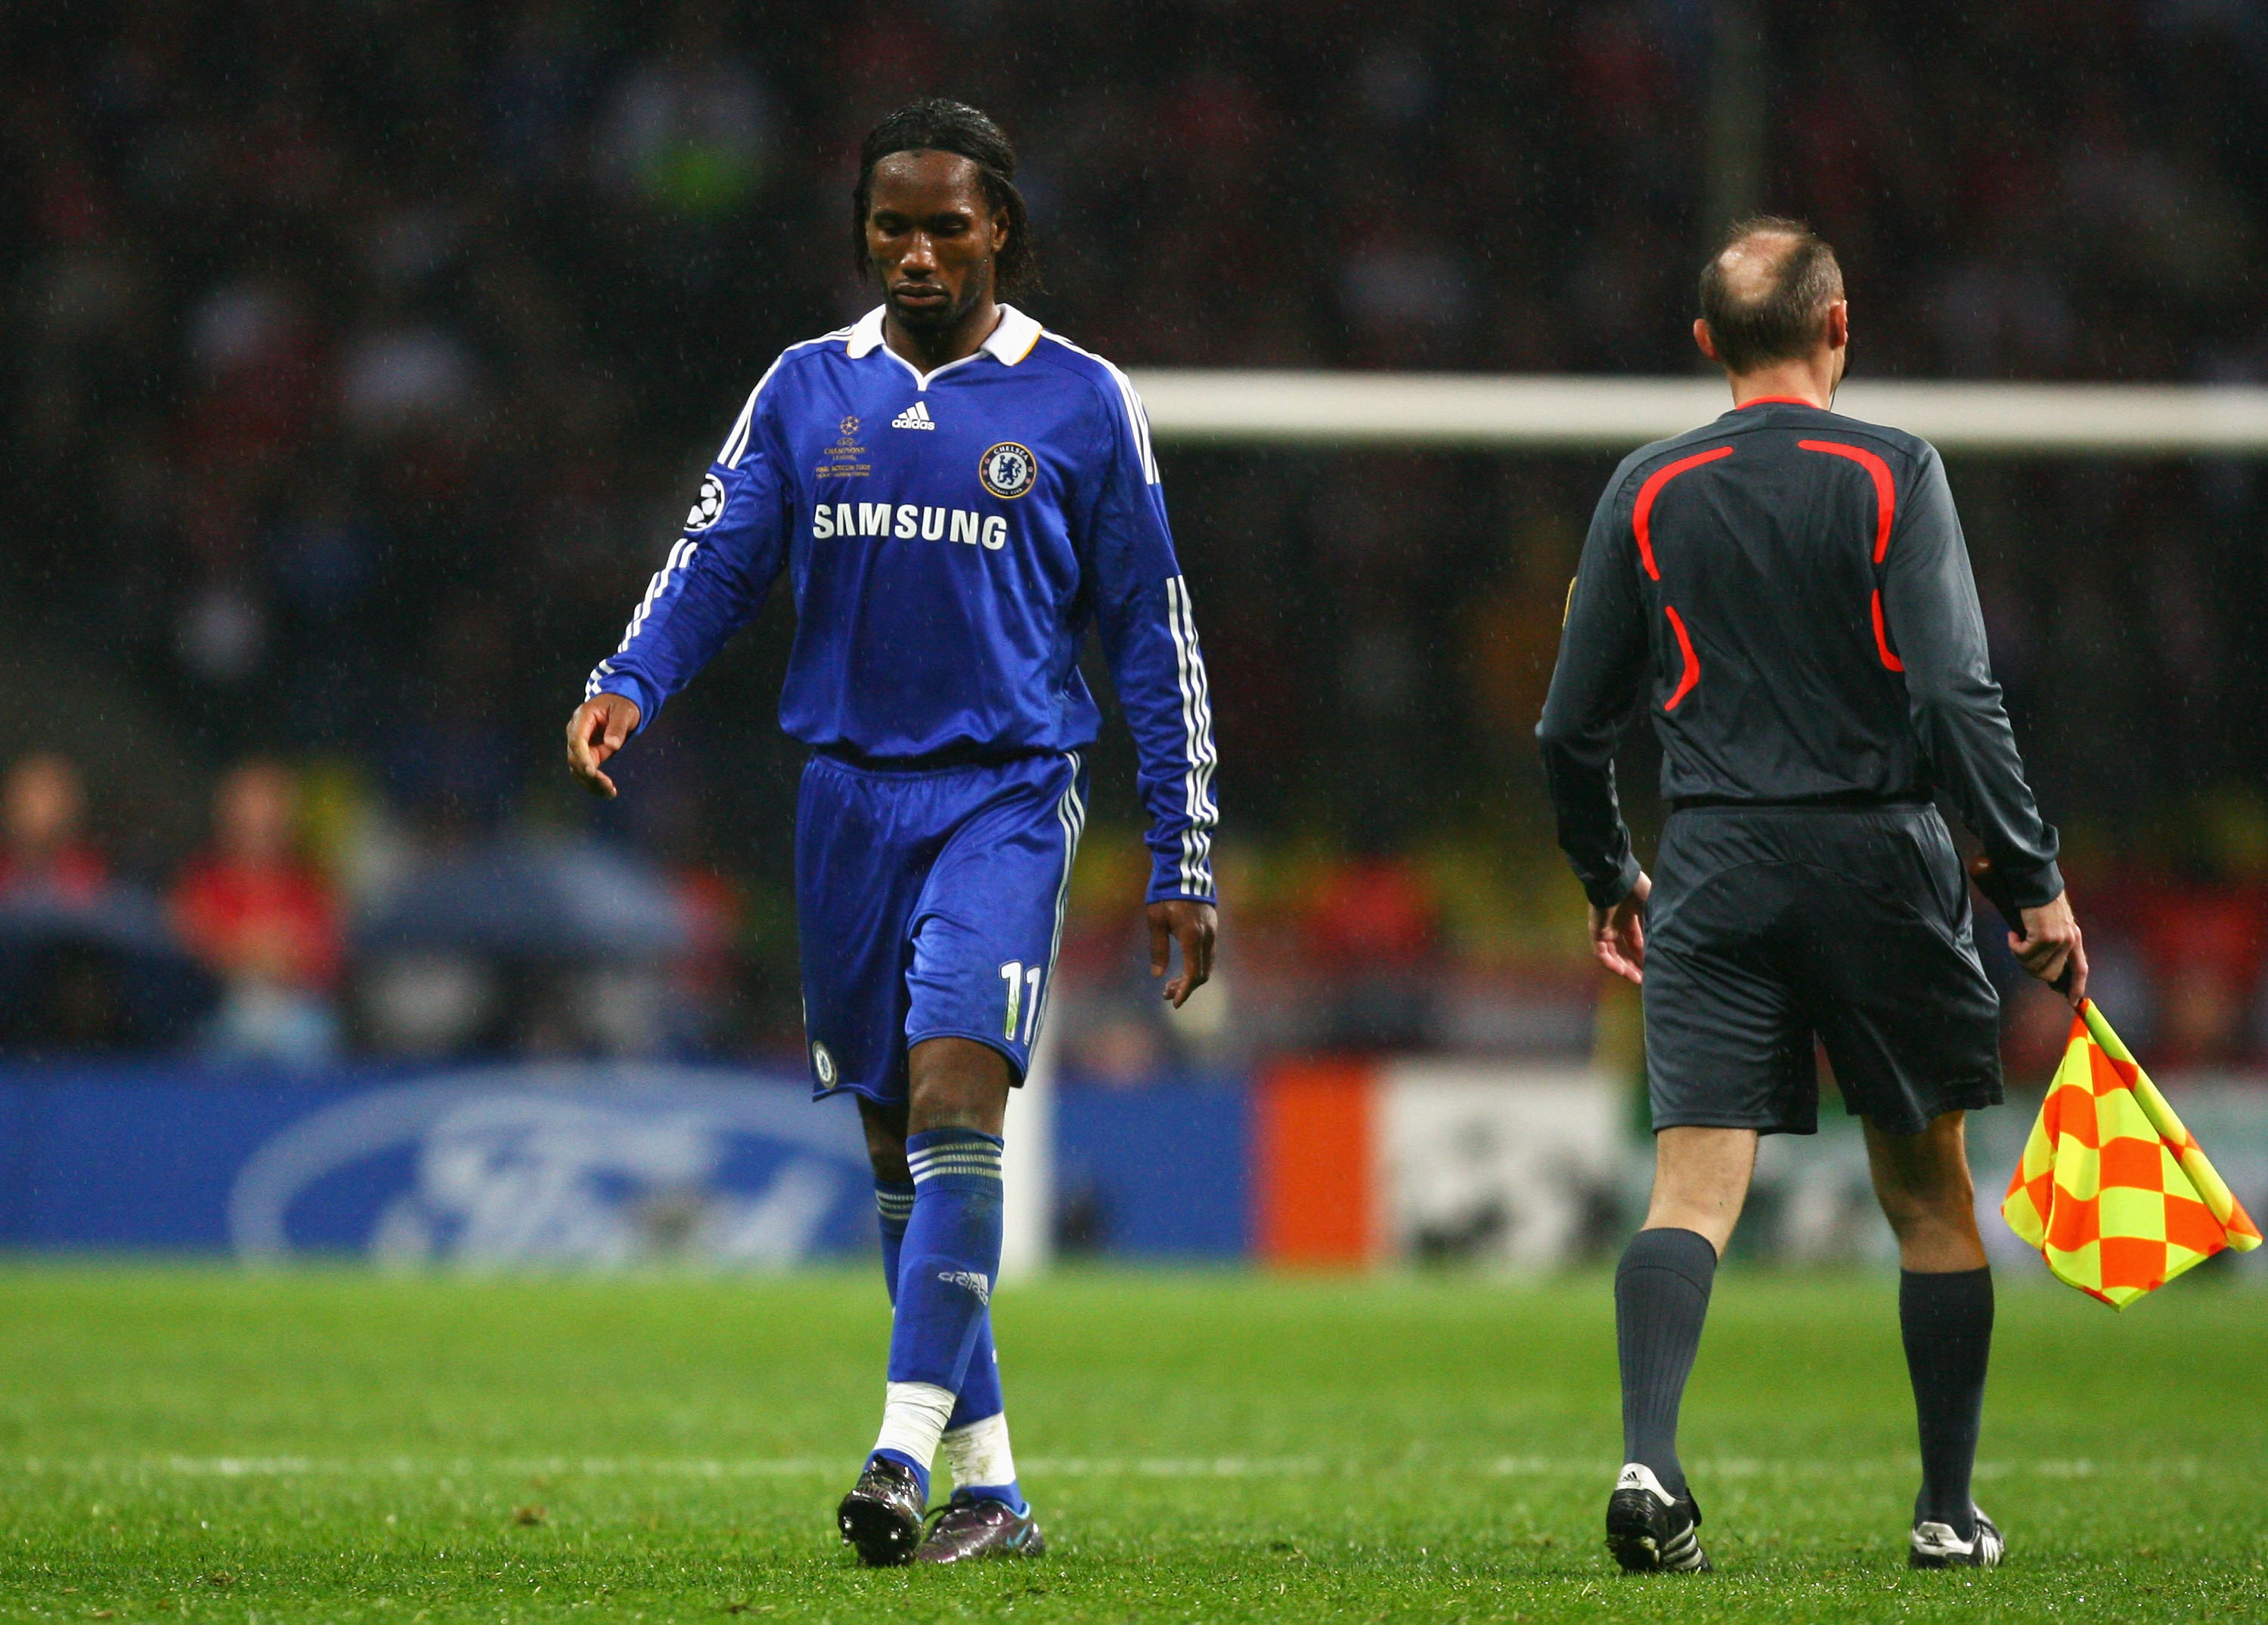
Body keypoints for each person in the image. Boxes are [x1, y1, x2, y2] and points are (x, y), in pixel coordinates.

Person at [564, 99, 1219, 1566]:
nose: (915, 254)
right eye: (890, 227)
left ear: (1004, 233)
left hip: (1002, 791)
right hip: (844, 799)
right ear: (863, 235)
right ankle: (994, 1491)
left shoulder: (1080, 400)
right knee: (891, 1145)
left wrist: (1182, 849)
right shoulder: (807, 389)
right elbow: (719, 555)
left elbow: (1150, 632)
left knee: (949, 1104)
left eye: (945, 226)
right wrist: (631, 678)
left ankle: (894, 1453)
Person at [1537, 218, 2084, 1574]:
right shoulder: (1894, 470)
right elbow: (1957, 693)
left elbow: (1569, 729)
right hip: (1878, 854)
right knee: (1928, 1196)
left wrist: (1613, 876)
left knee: (1691, 1188)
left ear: (1706, 343)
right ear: (1843, 326)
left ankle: (1647, 1466)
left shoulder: (1647, 488)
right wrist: (2030, 881)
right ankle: (1947, 1512)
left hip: (1716, 862)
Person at [171, 760, 342, 1061]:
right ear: (227, 814)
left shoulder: (310, 883)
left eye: (269, 807)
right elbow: (190, 946)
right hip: (220, 1010)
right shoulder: (201, 880)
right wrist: (248, 951)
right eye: (248, 807)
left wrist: (265, 953)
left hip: (295, 1011)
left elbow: (326, 956)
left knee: (309, 1033)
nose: (258, 820)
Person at [0, 754, 108, 904]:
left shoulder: (92, 875)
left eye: (48, 796)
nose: (37, 809)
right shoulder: (4, 872)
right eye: (29, 796)